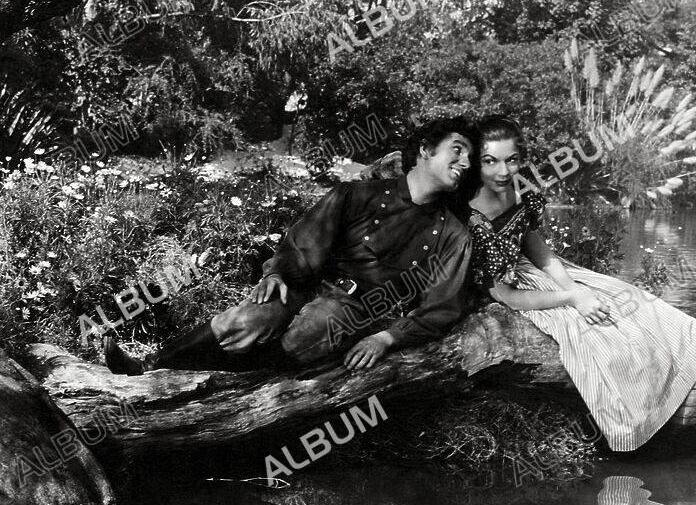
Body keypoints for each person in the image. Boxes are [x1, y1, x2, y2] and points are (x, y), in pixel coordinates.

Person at [465, 116, 696, 452]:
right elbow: (505, 295)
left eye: (511, 160)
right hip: (513, 291)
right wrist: (571, 298)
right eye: (490, 161)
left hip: (535, 272)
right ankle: (638, 422)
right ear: (475, 162)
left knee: (628, 296)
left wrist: (574, 285)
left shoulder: (519, 192)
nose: (503, 171)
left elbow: (538, 250)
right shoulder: (471, 215)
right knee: (597, 331)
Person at [104, 120, 474, 376]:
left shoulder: (453, 235)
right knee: (247, 320)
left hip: (356, 310)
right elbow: (304, 241)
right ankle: (148, 366)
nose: (465, 162)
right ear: (425, 150)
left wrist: (387, 337)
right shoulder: (357, 194)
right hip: (305, 285)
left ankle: (220, 381)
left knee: (306, 336)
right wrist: (277, 273)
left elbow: (442, 308)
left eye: (471, 157)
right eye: (457, 150)